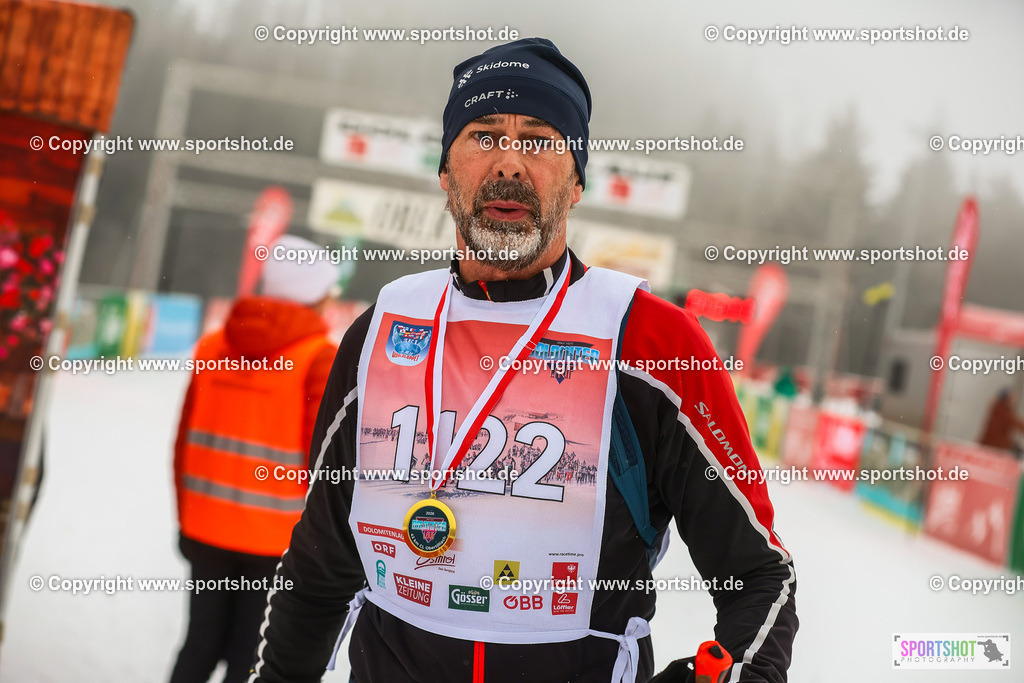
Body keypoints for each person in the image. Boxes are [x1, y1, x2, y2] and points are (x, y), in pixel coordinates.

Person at [248, 39, 797, 683]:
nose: (509, 162)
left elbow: (760, 577)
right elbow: (319, 569)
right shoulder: (383, 330)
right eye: (483, 135)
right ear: (445, 172)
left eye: (539, 140)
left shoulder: (650, 342)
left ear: (577, 180)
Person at [170, 234, 340, 683]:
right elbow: (324, 465)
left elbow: (183, 444)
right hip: (273, 542)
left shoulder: (212, 346)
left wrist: (185, 518)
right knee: (249, 655)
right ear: (316, 295)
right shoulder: (318, 359)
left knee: (198, 646)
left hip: (205, 528)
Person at [978, 388, 1024, 459]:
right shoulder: (1002, 410)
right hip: (993, 447)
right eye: (1012, 398)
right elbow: (1015, 422)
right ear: (1006, 399)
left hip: (992, 445)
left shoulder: (1001, 409)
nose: (1014, 400)